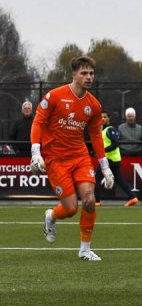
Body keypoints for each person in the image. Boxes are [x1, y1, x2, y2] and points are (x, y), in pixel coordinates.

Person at [30, 55, 115, 261]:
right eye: (84, 73)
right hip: (56, 159)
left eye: (91, 73)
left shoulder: (94, 105)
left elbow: (96, 135)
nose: (89, 77)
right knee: (70, 208)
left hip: (80, 156)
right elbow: (38, 122)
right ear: (74, 75)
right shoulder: (55, 96)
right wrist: (36, 152)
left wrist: (105, 167)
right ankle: (51, 216)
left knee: (89, 200)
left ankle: (85, 250)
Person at [95, 112, 139, 207]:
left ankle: (96, 201)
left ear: (109, 118)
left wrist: (103, 151)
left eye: (105, 117)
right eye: (101, 117)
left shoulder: (110, 129)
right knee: (119, 179)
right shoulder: (103, 130)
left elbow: (115, 144)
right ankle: (133, 197)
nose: (102, 118)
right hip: (114, 159)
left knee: (96, 179)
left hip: (109, 160)